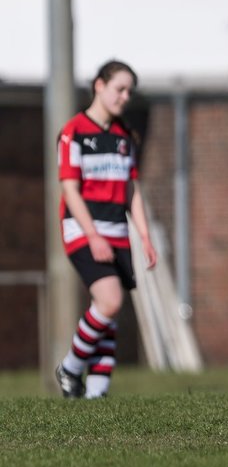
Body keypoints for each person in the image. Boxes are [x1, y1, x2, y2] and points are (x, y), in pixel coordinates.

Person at [52, 60, 157, 399]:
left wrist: (144, 235)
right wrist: (93, 236)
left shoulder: (124, 137)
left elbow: (131, 189)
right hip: (83, 230)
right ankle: (69, 368)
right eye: (119, 89)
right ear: (99, 85)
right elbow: (70, 189)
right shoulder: (74, 132)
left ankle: (97, 395)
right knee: (109, 301)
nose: (125, 97)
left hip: (116, 231)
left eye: (130, 92)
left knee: (108, 310)